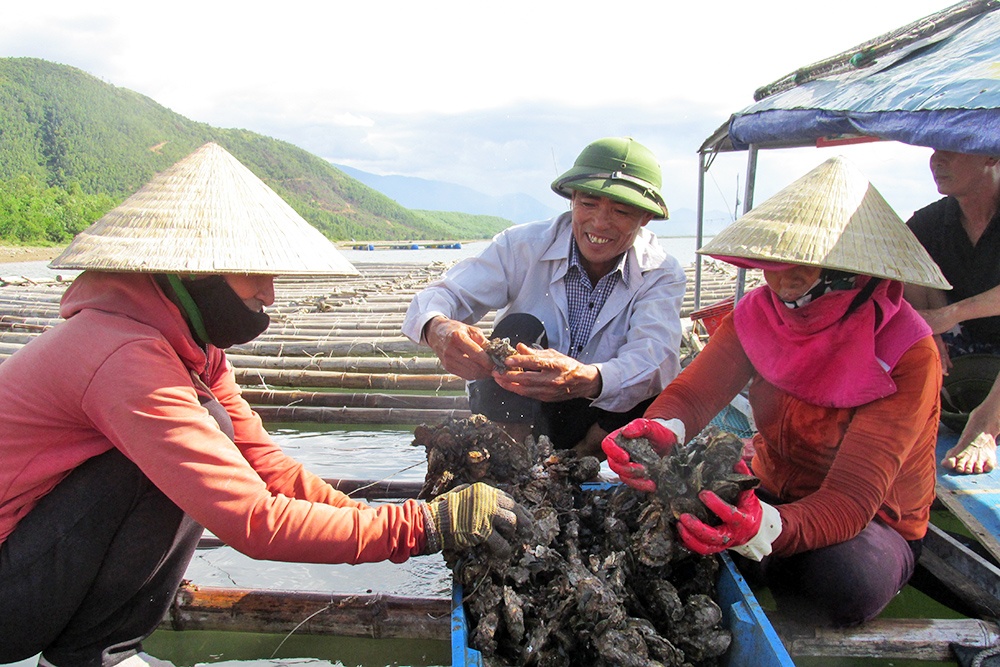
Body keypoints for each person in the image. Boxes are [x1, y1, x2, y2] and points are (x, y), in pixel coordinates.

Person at [0, 143, 525, 667]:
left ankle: (89, 654)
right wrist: (423, 526)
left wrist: (370, 515)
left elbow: (264, 464)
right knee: (177, 457)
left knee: (212, 432)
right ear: (195, 271)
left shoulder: (190, 348)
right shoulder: (123, 356)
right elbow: (252, 518)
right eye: (254, 271)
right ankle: (94, 657)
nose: (269, 294)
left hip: (29, 566)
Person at [602, 156, 950, 627]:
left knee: (841, 584)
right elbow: (695, 395)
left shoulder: (908, 352)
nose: (784, 281)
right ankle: (761, 554)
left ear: (853, 269)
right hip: (768, 484)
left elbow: (850, 499)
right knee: (667, 525)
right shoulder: (758, 313)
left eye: (805, 266)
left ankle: (768, 555)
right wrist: (662, 428)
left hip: (872, 519)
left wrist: (763, 527)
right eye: (776, 263)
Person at [401, 137, 686, 456]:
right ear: (572, 199)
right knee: (518, 328)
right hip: (519, 410)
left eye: (620, 211)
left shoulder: (660, 272)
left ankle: (580, 458)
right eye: (588, 204)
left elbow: (654, 360)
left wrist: (588, 378)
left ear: (644, 218)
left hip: (597, 421)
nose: (600, 223)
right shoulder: (522, 245)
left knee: (647, 383)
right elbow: (442, 295)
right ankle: (514, 456)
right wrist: (437, 327)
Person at [904, 150, 1000, 475]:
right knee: (907, 262)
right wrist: (927, 330)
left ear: (991, 155)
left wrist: (949, 315)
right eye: (934, 149)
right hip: (962, 360)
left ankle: (986, 425)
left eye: (951, 149)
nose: (936, 160)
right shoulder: (928, 223)